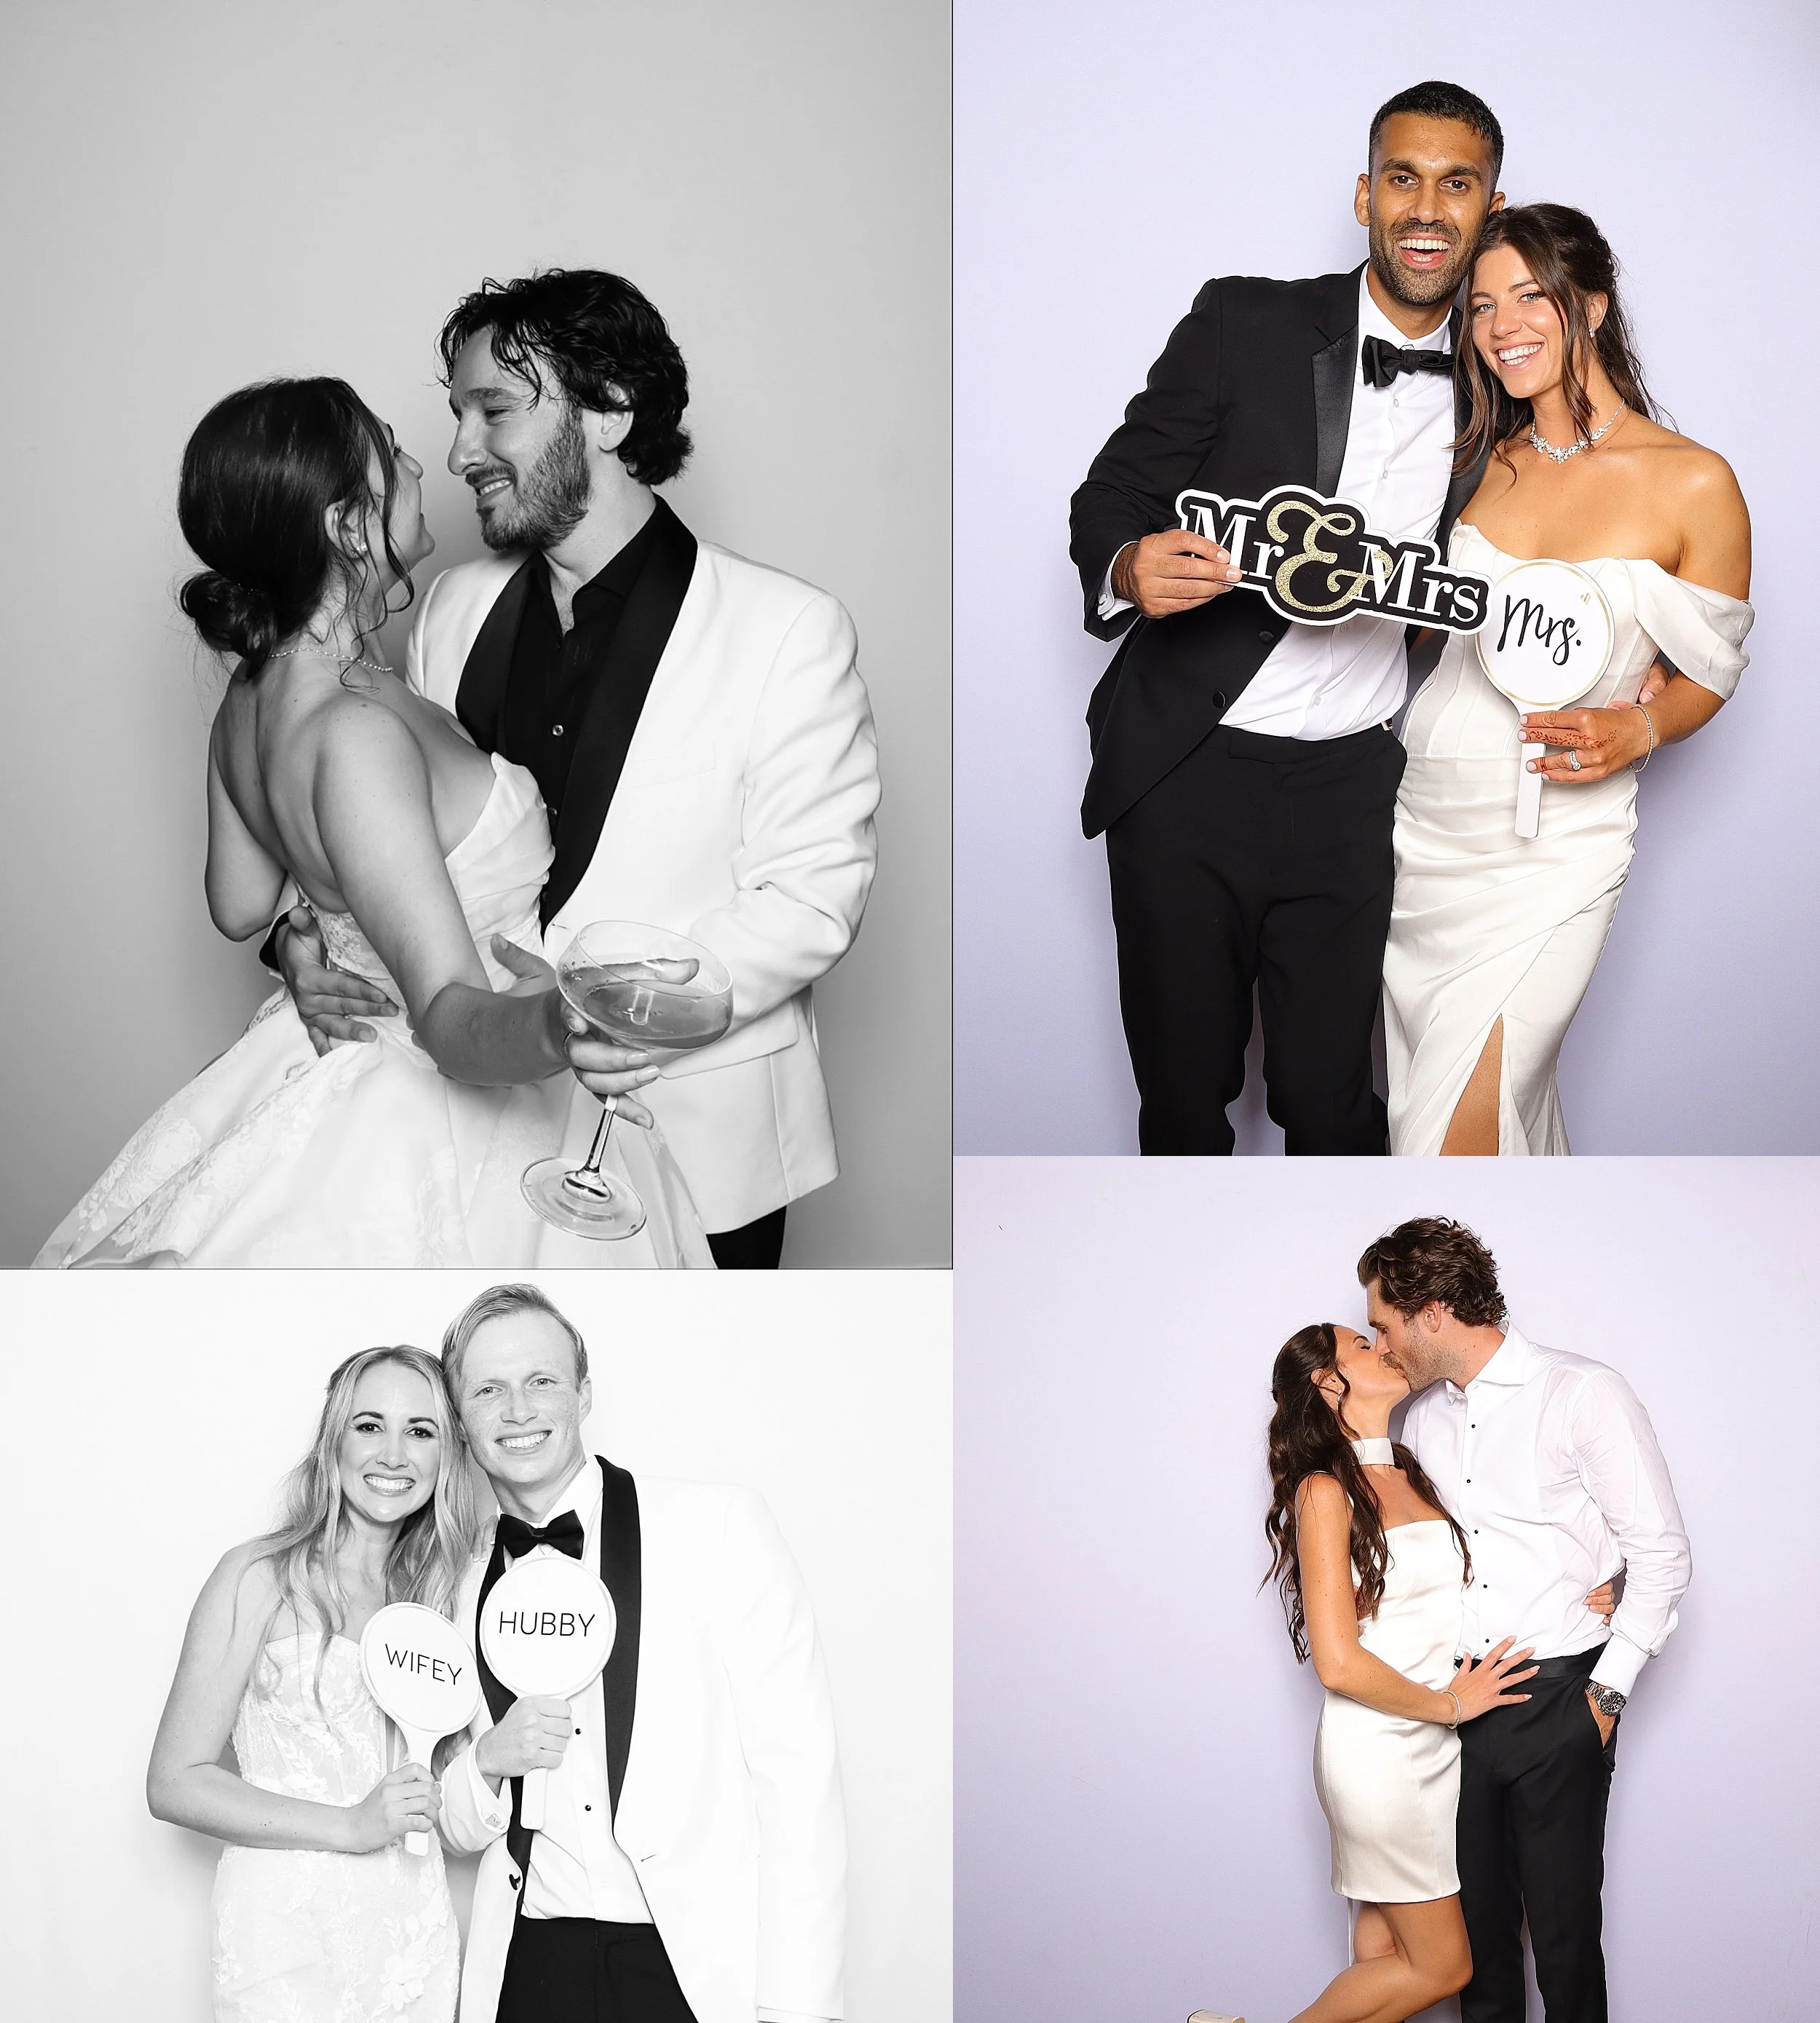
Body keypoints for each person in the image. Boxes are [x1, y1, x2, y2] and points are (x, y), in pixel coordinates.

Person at [274, 269, 881, 1267]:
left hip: (700, 1145)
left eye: (494, 411)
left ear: (608, 411)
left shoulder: (788, 630)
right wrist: (308, 940)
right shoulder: (452, 609)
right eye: (456, 415)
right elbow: (379, 826)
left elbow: (814, 894)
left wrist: (622, 1005)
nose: (461, 451)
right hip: (473, 1134)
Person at [35, 377, 708, 1268]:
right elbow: (447, 1021)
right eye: (393, 452)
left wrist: (316, 934)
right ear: (350, 527)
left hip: (312, 1054)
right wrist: (560, 1025)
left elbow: (240, 905)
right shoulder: (356, 730)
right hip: (430, 1109)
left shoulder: (250, 694)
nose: (424, 460)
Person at [1070, 81, 1512, 1155]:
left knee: (1331, 1104)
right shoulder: (1243, 320)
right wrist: (1129, 565)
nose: (1425, 207)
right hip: (1187, 771)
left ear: (1489, 212)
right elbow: (1111, 495)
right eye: (1402, 178)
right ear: (1365, 195)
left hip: (1353, 789)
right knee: (1182, 1101)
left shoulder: (1508, 374)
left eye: (1457, 185)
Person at [1384, 208, 1753, 1155]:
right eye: (1479, 306)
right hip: (1420, 833)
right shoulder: (1474, 462)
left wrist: (1642, 729)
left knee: (1461, 1121)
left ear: (1589, 305)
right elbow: (1432, 631)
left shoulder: (1694, 482)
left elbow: (1707, 671)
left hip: (1553, 845)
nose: (1502, 323)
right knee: (1476, 1118)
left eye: (1530, 296)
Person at [432, 1282, 846, 2023]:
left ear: (584, 1392)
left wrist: (797, 2008)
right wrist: (489, 1759)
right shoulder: (457, 1583)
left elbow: (799, 1779)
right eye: (487, 1389)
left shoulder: (717, 1526)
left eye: (542, 1381)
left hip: (690, 1963)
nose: (518, 1410)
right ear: (462, 1421)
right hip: (530, 1962)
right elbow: (459, 1828)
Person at [1358, 1217, 1691, 2021]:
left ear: (1432, 1312)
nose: (1381, 1346)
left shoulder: (1581, 1391)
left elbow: (1662, 1555)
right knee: (1476, 1951)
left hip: (1558, 1698)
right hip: (1457, 1705)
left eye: (1384, 1325)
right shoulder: (1421, 1421)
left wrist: (1603, 1698)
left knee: (1565, 1936)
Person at [1202, 1323, 1540, 2023]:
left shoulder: (1410, 1470)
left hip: (1430, 1754)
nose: (1385, 1348)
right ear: (1330, 1382)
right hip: (1380, 1757)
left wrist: (1600, 1582)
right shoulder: (1325, 1491)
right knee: (1445, 1966)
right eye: (1363, 1344)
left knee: (1384, 1958)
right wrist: (1451, 1705)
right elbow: (1338, 1660)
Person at [146, 1346, 481, 2021]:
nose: (394, 1453)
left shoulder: (437, 1600)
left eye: (421, 1430)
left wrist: (489, 1767)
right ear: (333, 1439)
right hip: (288, 1928)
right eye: (369, 1424)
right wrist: (351, 1825)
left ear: (446, 1456)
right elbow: (173, 1780)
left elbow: (436, 1808)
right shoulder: (257, 1575)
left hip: (412, 1928)